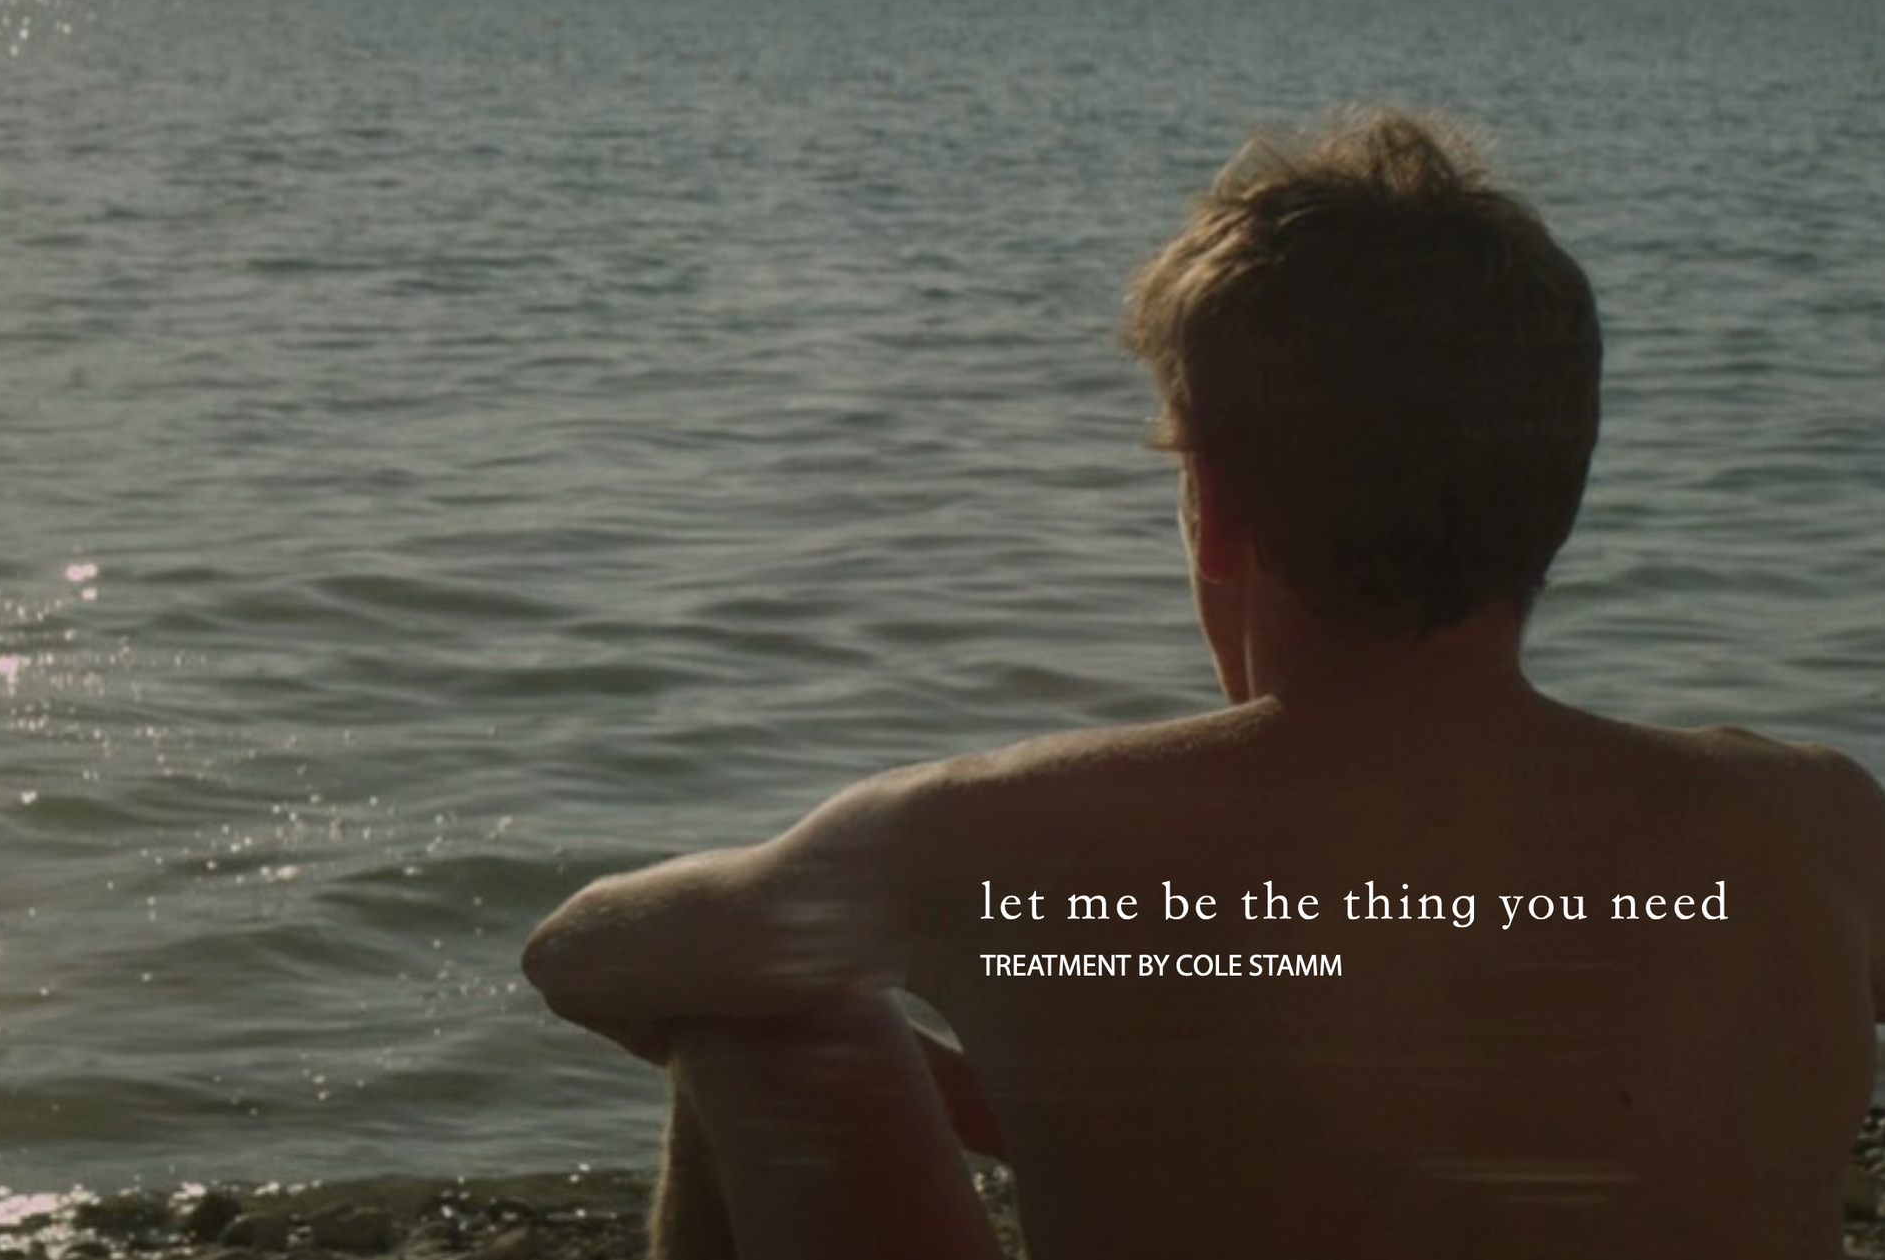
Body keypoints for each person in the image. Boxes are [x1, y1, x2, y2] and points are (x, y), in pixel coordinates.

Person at [523, 108, 1885, 1259]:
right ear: (1559, 493)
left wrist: (1012, 1082)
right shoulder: (1817, 818)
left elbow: (584, 954)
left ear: (1216, 505)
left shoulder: (1006, 836)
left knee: (763, 1023)